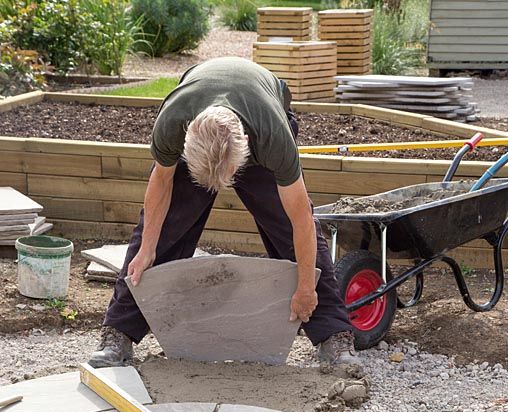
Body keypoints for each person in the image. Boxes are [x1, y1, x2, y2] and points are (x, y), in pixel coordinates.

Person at [89, 56, 358, 368]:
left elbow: (301, 221)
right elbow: (161, 182)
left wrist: (305, 288)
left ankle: (335, 336)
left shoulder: (273, 137)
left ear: (246, 144)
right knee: (157, 235)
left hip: (259, 116)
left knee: (289, 231)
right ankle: (117, 333)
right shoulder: (172, 124)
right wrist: (149, 247)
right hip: (204, 130)